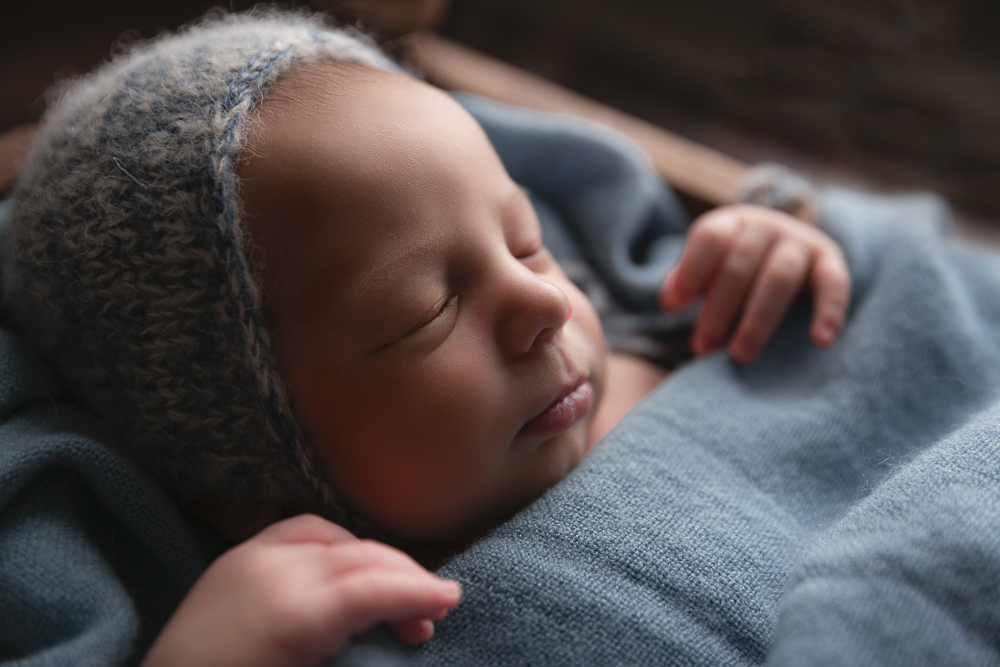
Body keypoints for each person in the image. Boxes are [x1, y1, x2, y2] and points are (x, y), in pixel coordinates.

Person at [0, 10, 849, 666]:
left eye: (528, 240)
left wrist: (775, 253)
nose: (543, 302)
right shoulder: (338, 612)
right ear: (253, 491)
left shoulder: (677, 329)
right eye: (426, 314)